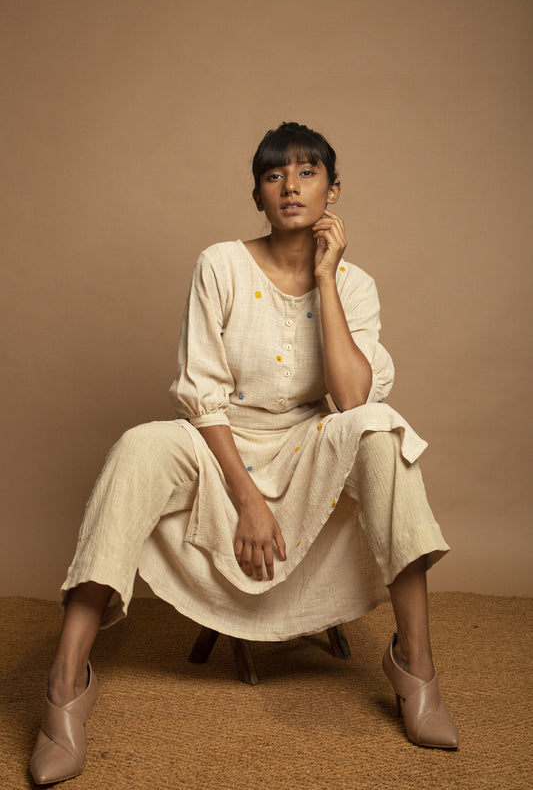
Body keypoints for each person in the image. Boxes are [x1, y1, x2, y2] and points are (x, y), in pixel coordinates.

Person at [30, 122, 458, 785]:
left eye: (307, 172)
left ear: (333, 190)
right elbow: (200, 391)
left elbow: (350, 399)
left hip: (308, 443)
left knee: (380, 427)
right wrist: (247, 498)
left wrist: (326, 278)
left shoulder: (355, 285)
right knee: (137, 448)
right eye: (273, 174)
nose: (290, 185)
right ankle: (65, 686)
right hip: (221, 442)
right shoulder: (220, 265)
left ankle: (416, 668)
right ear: (257, 194)